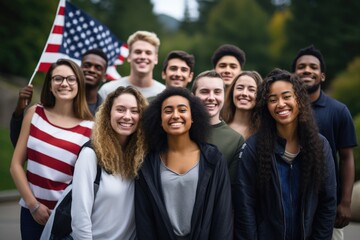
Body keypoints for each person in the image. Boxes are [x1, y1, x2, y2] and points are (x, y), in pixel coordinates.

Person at [233, 68, 337, 240]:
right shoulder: (254, 147)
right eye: (272, 99)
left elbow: (328, 201)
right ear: (266, 106)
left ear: (299, 100)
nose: (280, 104)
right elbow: (245, 204)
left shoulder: (320, 145)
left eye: (287, 96)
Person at [41, 86, 148, 239]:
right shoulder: (91, 154)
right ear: (108, 113)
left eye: (134, 111)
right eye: (120, 109)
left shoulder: (142, 157)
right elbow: (80, 217)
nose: (127, 116)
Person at [10, 59, 94, 239]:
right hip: (31, 214)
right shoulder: (35, 113)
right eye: (58, 79)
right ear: (50, 84)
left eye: (71, 79)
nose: (64, 84)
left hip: (67, 217)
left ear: (79, 84)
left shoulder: (91, 128)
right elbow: (16, 165)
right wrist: (33, 206)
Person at [135, 87, 233, 239]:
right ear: (159, 120)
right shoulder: (147, 164)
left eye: (182, 110)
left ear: (193, 117)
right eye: (168, 111)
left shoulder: (213, 159)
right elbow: (145, 222)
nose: (175, 115)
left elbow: (222, 215)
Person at [291, 45, 358, 240]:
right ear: (293, 74)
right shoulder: (284, 110)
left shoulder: (339, 111)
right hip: (291, 203)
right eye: (301, 66)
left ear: (322, 76)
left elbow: (346, 158)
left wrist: (345, 202)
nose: (307, 70)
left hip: (327, 205)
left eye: (313, 67)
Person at [9, 48, 108, 147]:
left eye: (98, 68)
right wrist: (19, 110)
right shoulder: (57, 102)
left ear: (105, 76)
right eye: (87, 65)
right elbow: (20, 144)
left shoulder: (105, 114)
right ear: (79, 70)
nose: (91, 70)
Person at [191, 70, 244, 183]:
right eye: (204, 92)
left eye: (217, 92)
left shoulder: (235, 140)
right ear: (193, 96)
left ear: (224, 96)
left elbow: (231, 186)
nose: (211, 97)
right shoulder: (181, 130)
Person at [98, 30, 165, 99]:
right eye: (138, 52)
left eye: (148, 53)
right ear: (129, 56)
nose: (143, 57)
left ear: (156, 59)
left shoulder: (164, 94)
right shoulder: (108, 91)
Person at [222, 71, 263, 140]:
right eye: (240, 88)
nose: (244, 93)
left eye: (251, 90)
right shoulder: (220, 125)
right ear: (232, 92)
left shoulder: (264, 131)